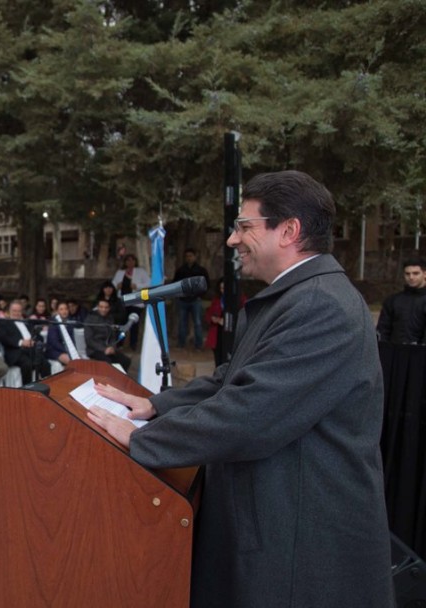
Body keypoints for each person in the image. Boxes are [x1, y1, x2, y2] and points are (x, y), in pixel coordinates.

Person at [86, 170, 394, 608]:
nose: (232, 240)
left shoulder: (320, 305)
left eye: (244, 226)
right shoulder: (299, 296)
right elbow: (233, 377)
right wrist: (153, 406)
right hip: (276, 522)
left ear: (288, 230)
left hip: (300, 542)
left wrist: (142, 438)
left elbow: (250, 415)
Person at [376, 258, 426, 344]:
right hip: (396, 352)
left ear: (425, 274)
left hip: (421, 354)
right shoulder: (393, 301)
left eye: (416, 273)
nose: (411, 277)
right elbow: (383, 329)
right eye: (407, 274)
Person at [0, 300, 49, 384]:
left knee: (45, 363)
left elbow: (38, 336)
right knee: (27, 364)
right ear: (9, 311)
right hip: (16, 351)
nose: (16, 313)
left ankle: (47, 386)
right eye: (14, 311)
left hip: (31, 350)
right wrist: (21, 342)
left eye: (19, 311)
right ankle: (27, 388)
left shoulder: (27, 323)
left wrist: (34, 341)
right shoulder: (5, 323)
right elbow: (4, 338)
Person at [204, 278, 247, 367]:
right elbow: (208, 314)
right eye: (221, 288)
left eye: (224, 288)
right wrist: (213, 319)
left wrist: (232, 321)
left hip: (233, 333)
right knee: (218, 360)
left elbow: (246, 314)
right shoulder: (217, 300)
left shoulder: (240, 299)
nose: (222, 291)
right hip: (218, 333)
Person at [173, 247, 209, 349]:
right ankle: (181, 343)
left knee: (197, 323)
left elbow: (206, 285)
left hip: (195, 300)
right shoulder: (180, 270)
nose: (189, 258)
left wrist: (199, 295)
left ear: (195, 257)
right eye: (187, 256)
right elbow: (175, 284)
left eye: (191, 256)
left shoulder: (201, 270)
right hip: (183, 300)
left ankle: (199, 345)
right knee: (182, 323)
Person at [84, 299, 131, 370]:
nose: (104, 309)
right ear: (98, 307)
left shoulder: (110, 318)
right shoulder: (90, 319)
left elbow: (112, 336)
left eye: (106, 307)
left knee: (126, 361)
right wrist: (104, 349)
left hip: (109, 347)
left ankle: (120, 378)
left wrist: (112, 347)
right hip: (95, 349)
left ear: (109, 308)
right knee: (108, 363)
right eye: (101, 307)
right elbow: (89, 339)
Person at [116, 254, 150, 349]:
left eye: (132, 260)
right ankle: (119, 343)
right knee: (122, 323)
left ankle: (133, 344)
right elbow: (113, 283)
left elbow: (149, 283)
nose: (130, 262)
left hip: (135, 301)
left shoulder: (141, 272)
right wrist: (117, 285)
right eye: (128, 260)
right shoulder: (120, 272)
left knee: (134, 323)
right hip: (123, 301)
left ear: (135, 261)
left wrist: (137, 286)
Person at [45, 301, 81, 366]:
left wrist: (74, 351)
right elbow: (54, 342)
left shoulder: (69, 323)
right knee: (71, 361)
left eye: (66, 309)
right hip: (54, 350)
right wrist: (67, 350)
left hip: (67, 350)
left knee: (80, 359)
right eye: (61, 309)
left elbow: (72, 340)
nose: (64, 311)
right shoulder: (53, 323)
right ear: (57, 311)